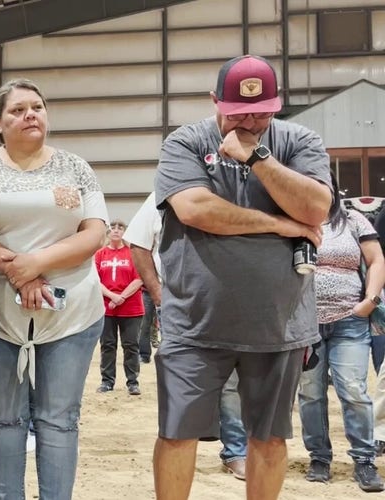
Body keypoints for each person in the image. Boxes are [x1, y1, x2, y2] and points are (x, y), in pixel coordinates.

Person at [152, 54, 332, 500]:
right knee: (178, 433)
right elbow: (196, 209)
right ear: (215, 101)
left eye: (263, 109)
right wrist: (278, 223)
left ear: (279, 102)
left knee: (270, 437)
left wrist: (258, 157)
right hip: (195, 322)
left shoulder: (300, 140)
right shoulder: (186, 142)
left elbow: (315, 209)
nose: (252, 118)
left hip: (279, 323)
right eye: (239, 111)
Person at [0, 77, 106, 499]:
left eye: (37, 107)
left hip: (72, 311)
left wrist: (36, 264)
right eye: (18, 109)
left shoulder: (75, 167)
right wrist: (17, 269)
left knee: (59, 418)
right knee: (3, 419)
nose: (30, 114)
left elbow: (94, 232)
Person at [126, 192, 249, 480]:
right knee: (182, 387)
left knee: (231, 386)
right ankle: (181, 451)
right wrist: (157, 293)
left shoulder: (229, 188)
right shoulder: (160, 197)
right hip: (180, 310)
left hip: (231, 306)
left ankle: (236, 451)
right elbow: (139, 245)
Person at [297, 185, 385, 492]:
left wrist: (370, 300)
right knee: (310, 393)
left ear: (332, 192)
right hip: (305, 325)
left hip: (350, 320)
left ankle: (364, 459)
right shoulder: (295, 221)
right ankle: (319, 457)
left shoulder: (354, 220)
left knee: (353, 389)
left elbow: (376, 260)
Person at [95, 219, 144, 395]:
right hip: (107, 307)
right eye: (113, 228)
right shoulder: (100, 254)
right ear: (108, 232)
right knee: (107, 344)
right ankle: (107, 381)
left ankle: (132, 382)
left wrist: (122, 297)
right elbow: (95, 280)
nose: (116, 231)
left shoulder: (133, 253)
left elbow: (139, 279)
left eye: (120, 228)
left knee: (131, 345)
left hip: (130, 308)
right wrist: (112, 296)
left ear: (125, 232)